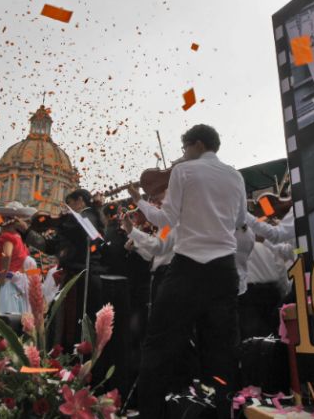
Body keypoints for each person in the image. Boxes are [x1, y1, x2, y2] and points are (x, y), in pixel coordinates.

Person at [128, 124, 246, 419]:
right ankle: (218, 412)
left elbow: (165, 217)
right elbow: (239, 220)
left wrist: (139, 201)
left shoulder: (184, 171)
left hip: (188, 269)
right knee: (219, 351)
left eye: (184, 149)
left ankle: (152, 413)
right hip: (224, 269)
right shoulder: (236, 176)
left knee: (159, 346)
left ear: (196, 144)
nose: (182, 155)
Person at [26, 189, 106, 350]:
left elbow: (80, 227)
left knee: (75, 324)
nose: (66, 209)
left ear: (80, 201)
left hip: (84, 279)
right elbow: (49, 246)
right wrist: (26, 231)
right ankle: (63, 357)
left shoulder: (89, 215)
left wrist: (95, 207)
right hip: (71, 280)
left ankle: (75, 359)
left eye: (69, 204)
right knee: (61, 322)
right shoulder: (68, 224)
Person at [0, 201, 38, 314]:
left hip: (9, 287)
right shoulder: (20, 246)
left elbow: (33, 276)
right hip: (17, 290)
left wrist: (3, 277)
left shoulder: (27, 258)